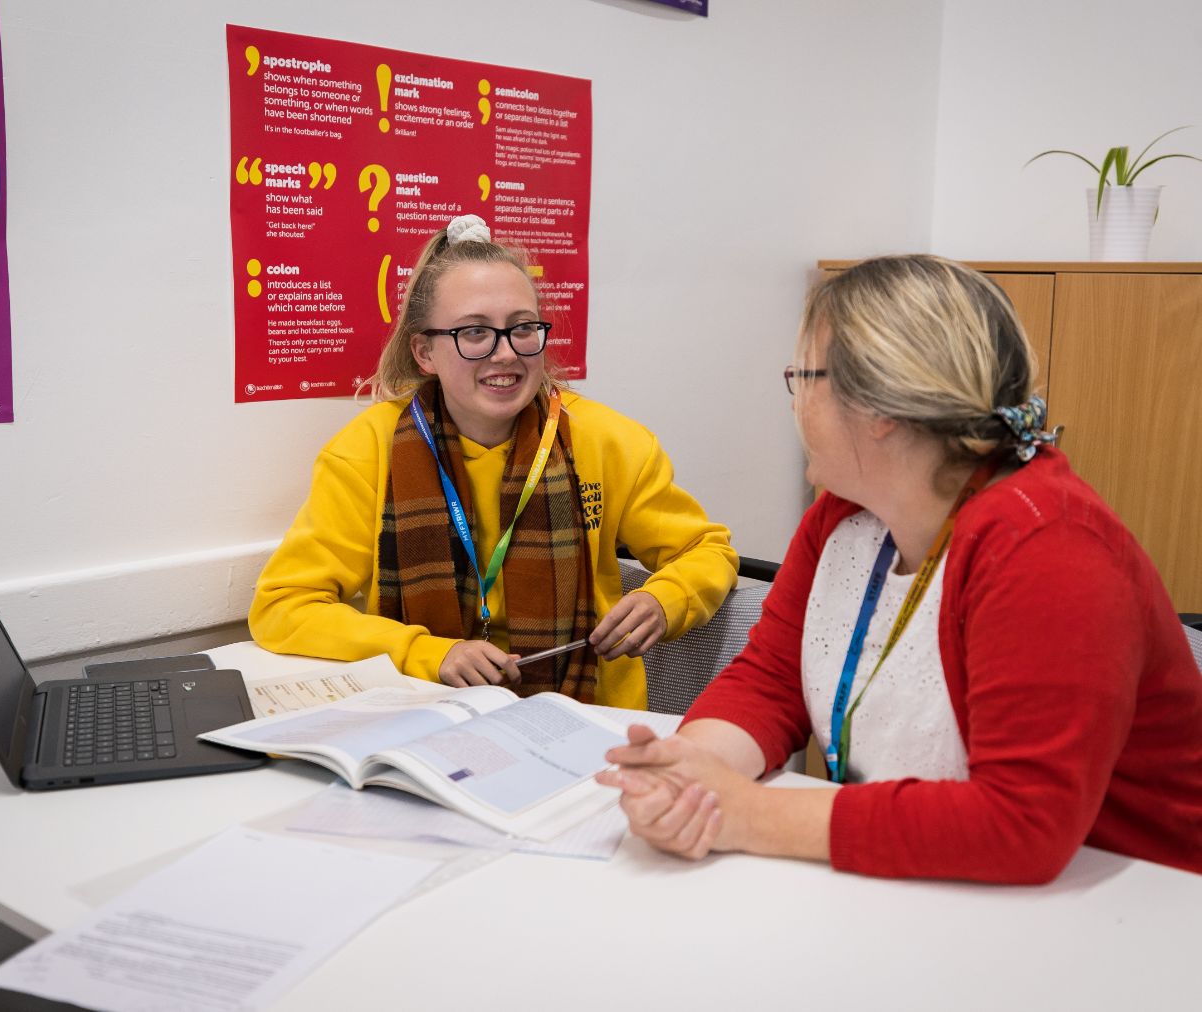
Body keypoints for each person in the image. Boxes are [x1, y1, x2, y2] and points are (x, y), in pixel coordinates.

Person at [597, 254, 1202, 882]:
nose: (796, 401)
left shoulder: (1051, 549)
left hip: (1134, 908)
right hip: (933, 883)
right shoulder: (845, 511)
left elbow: (1022, 825)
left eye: (805, 377)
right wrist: (691, 774)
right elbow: (773, 680)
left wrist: (747, 815)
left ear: (880, 408)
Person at [249, 215, 738, 708]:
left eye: (522, 329)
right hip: (425, 713)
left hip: (585, 721)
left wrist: (665, 600)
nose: (505, 354)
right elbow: (284, 606)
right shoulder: (367, 450)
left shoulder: (611, 441)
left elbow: (707, 550)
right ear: (424, 352)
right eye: (474, 333)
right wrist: (426, 652)